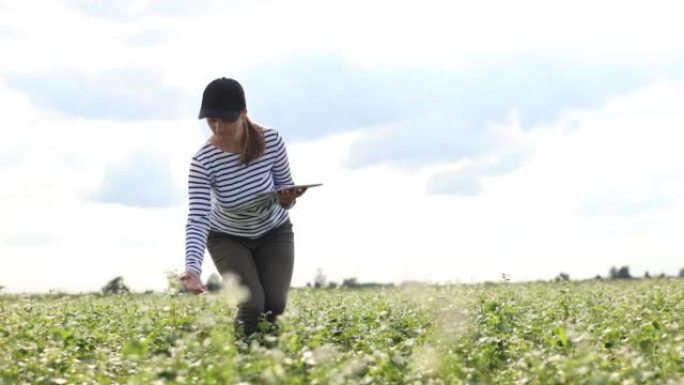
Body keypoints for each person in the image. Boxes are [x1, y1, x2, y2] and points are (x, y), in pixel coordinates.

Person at [180, 77, 307, 336]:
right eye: (211, 121)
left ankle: (269, 365)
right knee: (251, 304)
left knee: (275, 306)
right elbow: (198, 217)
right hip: (228, 238)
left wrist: (287, 198)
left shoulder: (271, 140)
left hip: (274, 231)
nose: (218, 127)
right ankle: (241, 365)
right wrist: (192, 268)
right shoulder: (202, 161)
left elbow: (286, 189)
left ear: (243, 114)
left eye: (225, 120)